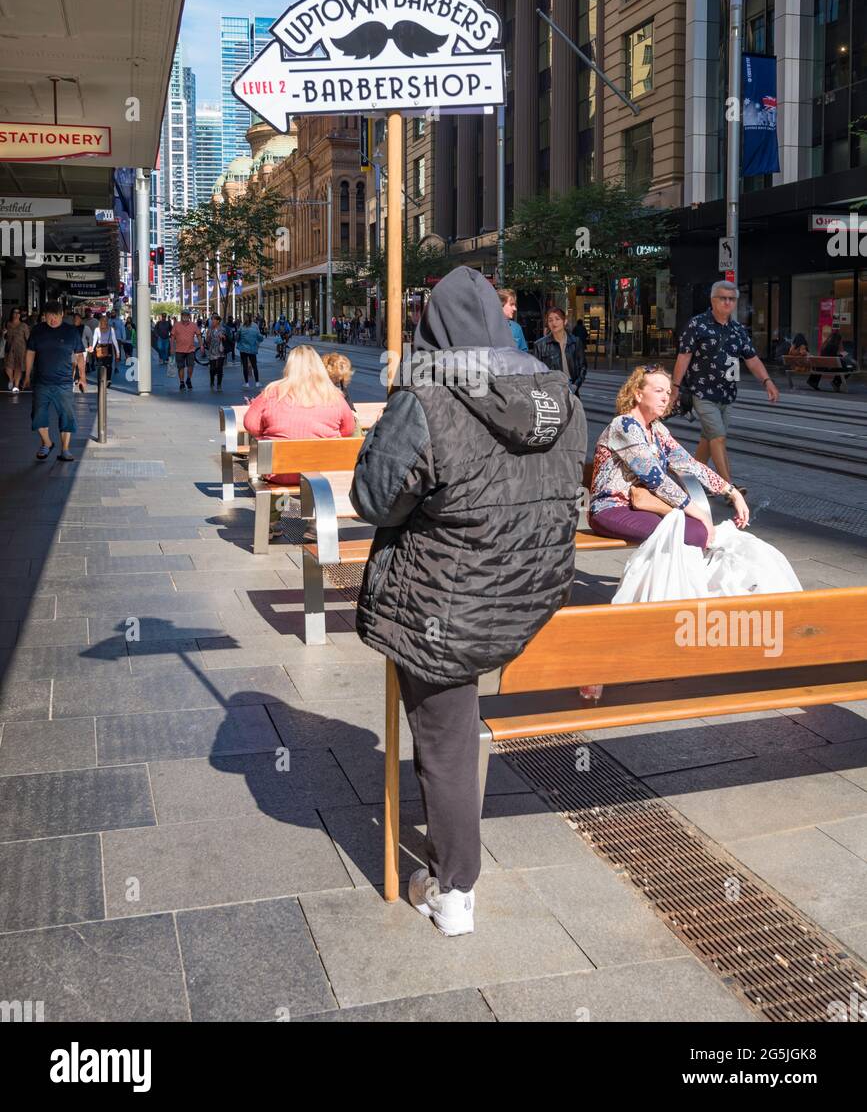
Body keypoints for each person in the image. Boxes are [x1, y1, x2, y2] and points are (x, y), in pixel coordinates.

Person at [349, 267, 587, 936]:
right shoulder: (561, 397)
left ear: (434, 328)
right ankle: (451, 877)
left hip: (444, 605)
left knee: (447, 744)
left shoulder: (425, 399)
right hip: (530, 593)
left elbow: (373, 500)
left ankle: (454, 892)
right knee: (454, 734)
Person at [590, 366, 749, 549]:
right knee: (692, 532)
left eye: (668, 392)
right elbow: (656, 480)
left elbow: (690, 464)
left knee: (695, 530)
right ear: (638, 394)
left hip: (643, 505)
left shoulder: (656, 429)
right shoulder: (624, 426)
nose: (666, 397)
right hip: (611, 509)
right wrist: (700, 513)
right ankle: (667, 578)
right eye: (658, 391)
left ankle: (664, 577)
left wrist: (732, 492)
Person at [671, 281, 779, 487]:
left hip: (727, 395)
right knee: (718, 438)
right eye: (723, 298)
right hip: (702, 393)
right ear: (713, 300)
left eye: (732, 299)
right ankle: (728, 488)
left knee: (709, 439)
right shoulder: (697, 325)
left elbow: (752, 359)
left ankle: (690, 482)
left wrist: (767, 381)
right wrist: (675, 388)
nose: (728, 302)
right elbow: (683, 357)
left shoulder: (738, 330)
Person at [243, 346, 356, 538]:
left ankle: (271, 521)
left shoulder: (272, 391)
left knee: (275, 463)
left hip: (279, 472)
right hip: (321, 474)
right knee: (319, 466)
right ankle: (315, 523)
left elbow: (250, 424)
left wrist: (269, 431)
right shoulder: (334, 395)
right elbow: (348, 429)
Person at [22, 301, 86, 461]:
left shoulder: (71, 332)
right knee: (38, 416)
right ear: (45, 316)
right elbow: (30, 352)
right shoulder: (37, 330)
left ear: (62, 315)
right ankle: (47, 443)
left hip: (64, 382)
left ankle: (65, 449)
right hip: (41, 381)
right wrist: (27, 375)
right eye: (49, 317)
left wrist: (82, 377)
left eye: (56, 317)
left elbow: (79, 355)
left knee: (66, 416)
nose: (52, 320)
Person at [533, 306, 587, 393]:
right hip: (550, 391)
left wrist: (576, 385)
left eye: (557, 319)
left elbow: (583, 367)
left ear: (564, 321)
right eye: (550, 320)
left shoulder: (575, 342)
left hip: (571, 389)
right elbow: (536, 373)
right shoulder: (540, 345)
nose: (554, 323)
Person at [170, 310, 200, 392]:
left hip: (191, 350)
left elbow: (198, 335)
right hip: (179, 350)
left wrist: (202, 346)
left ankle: (188, 379)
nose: (185, 316)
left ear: (189, 316)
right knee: (181, 367)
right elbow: (172, 337)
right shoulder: (176, 325)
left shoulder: (193, 325)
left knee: (191, 366)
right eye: (184, 315)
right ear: (181, 315)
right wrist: (171, 348)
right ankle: (182, 382)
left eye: (187, 315)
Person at [89, 313, 120, 387]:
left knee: (103, 364)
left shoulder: (107, 329)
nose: (104, 322)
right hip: (106, 347)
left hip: (101, 347)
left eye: (105, 320)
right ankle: (106, 379)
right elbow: (114, 341)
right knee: (106, 365)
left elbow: (95, 340)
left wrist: (92, 348)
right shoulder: (107, 329)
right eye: (104, 320)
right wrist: (117, 352)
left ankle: (105, 379)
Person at [4, 306, 30, 392]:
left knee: (18, 367)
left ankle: (16, 385)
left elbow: (28, 339)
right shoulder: (8, 324)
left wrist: (29, 351)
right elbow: (4, 337)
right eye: (14, 312)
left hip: (21, 349)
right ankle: (11, 379)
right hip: (9, 349)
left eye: (18, 313)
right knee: (8, 367)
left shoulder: (24, 325)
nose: (16, 314)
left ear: (20, 315)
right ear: (11, 314)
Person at [238, 314, 264, 389]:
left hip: (243, 349)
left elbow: (237, 336)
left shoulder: (241, 326)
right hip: (252, 349)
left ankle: (246, 383)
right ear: (251, 318)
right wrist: (258, 341)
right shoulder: (255, 326)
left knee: (245, 366)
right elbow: (259, 337)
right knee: (254, 365)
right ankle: (257, 382)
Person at [498, 287, 528, 351]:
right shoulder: (487, 327)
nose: (515, 308)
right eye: (511, 304)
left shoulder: (516, 328)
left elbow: (524, 355)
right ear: (500, 305)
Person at [202, 314, 226, 391]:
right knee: (212, 368)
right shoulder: (210, 329)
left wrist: (223, 337)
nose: (212, 321)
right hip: (212, 350)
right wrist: (208, 336)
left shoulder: (222, 329)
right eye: (212, 320)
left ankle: (219, 384)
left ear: (218, 321)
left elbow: (225, 338)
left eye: (214, 320)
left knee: (219, 368)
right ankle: (212, 382)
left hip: (220, 350)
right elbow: (207, 341)